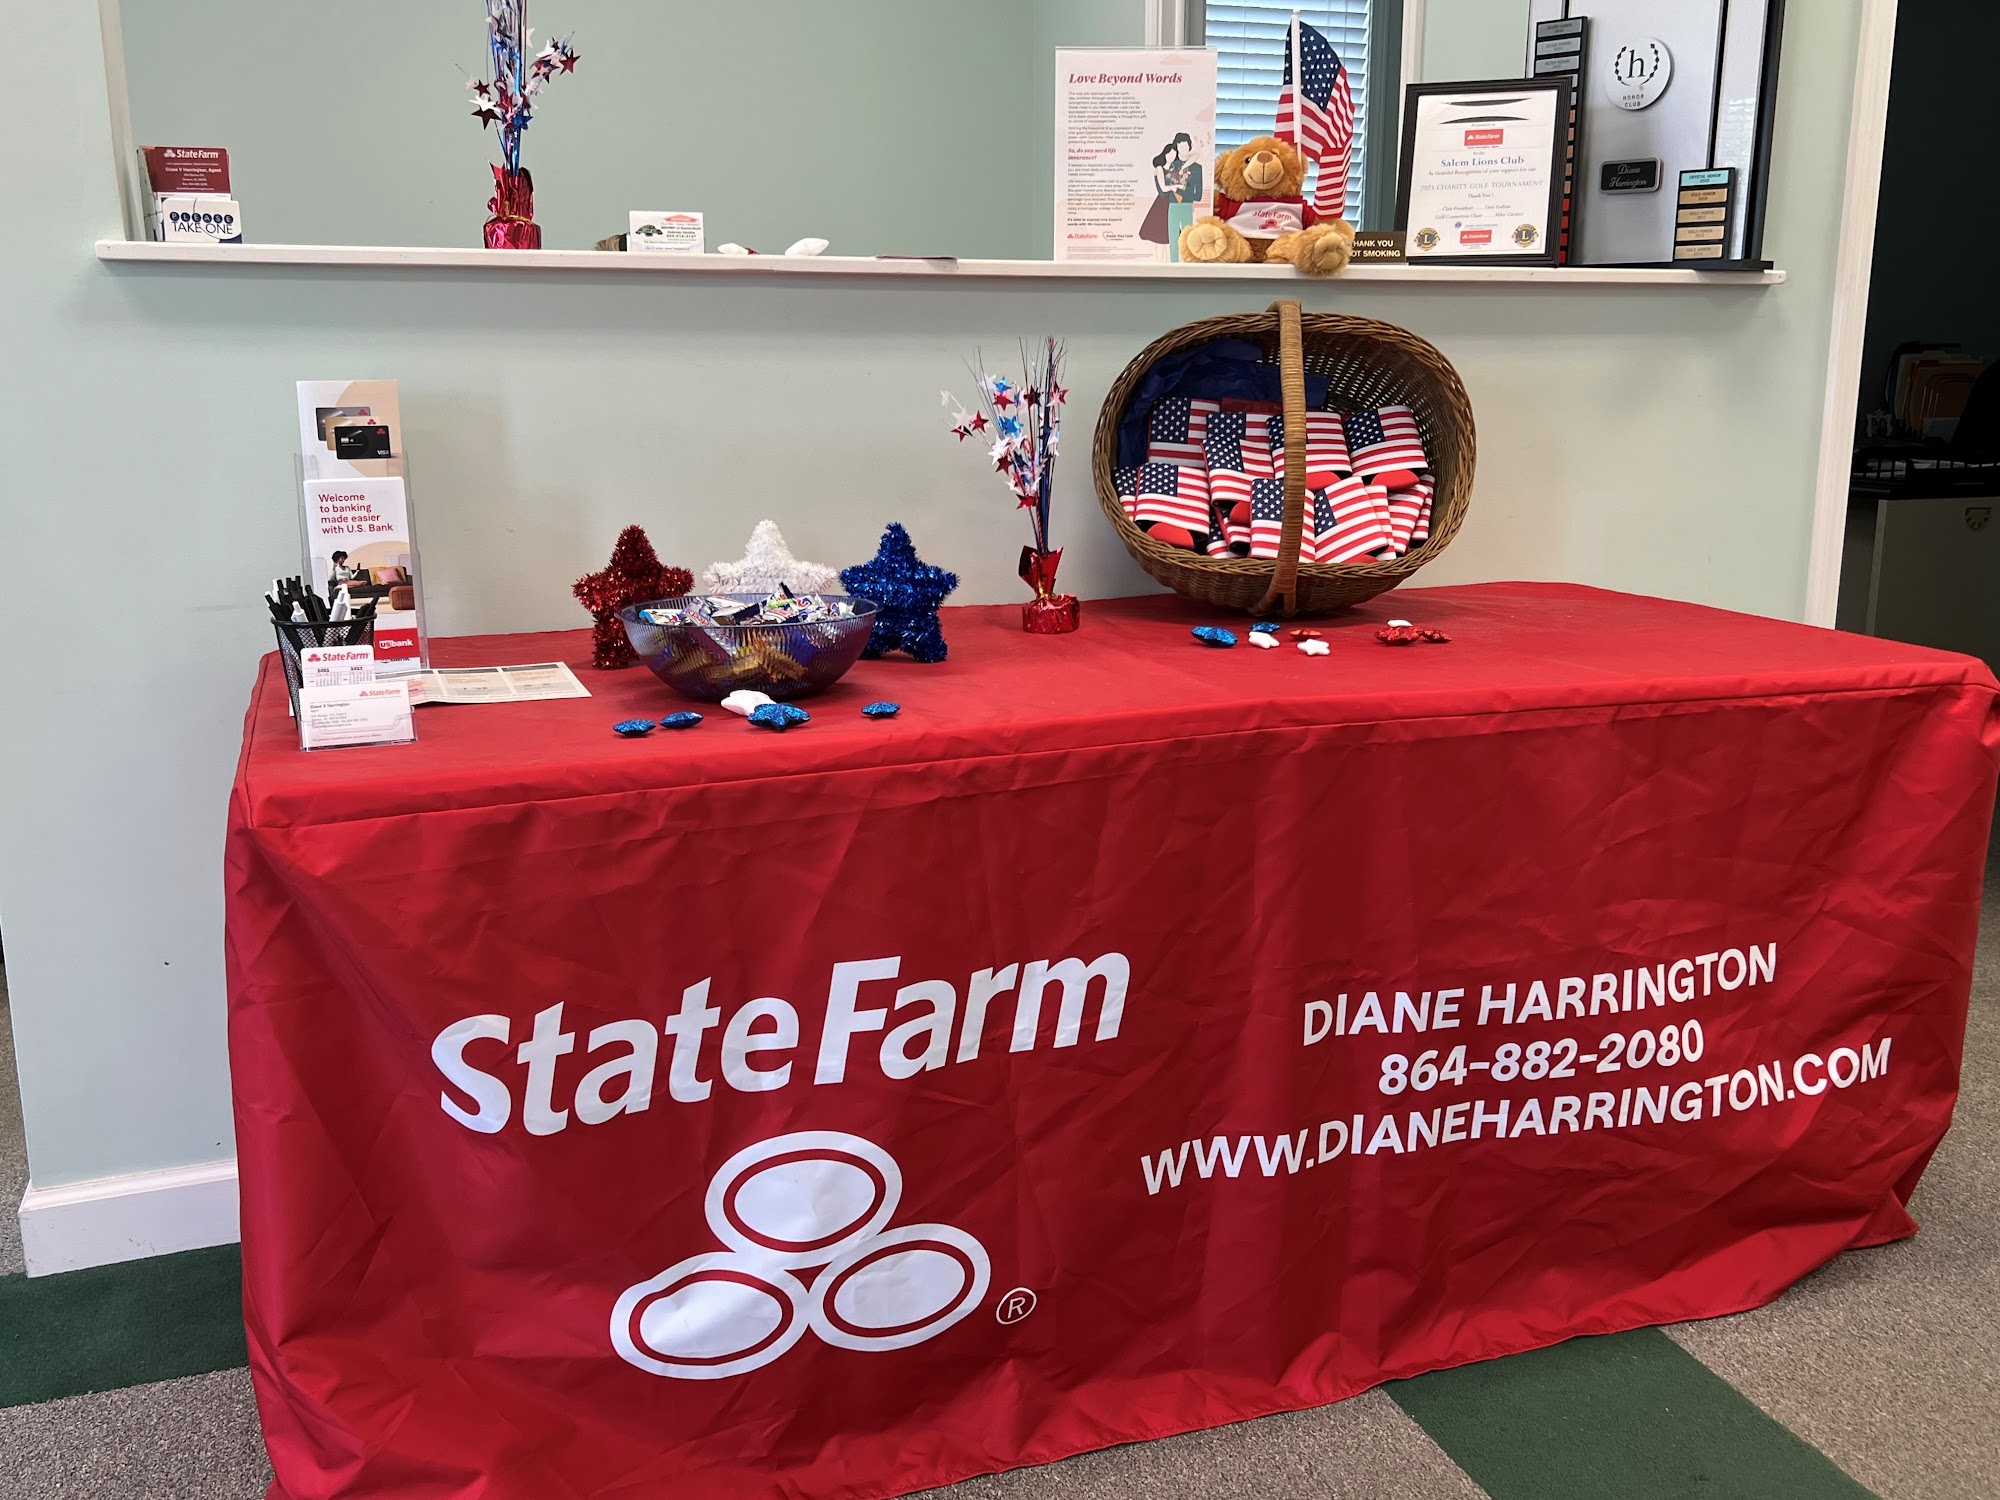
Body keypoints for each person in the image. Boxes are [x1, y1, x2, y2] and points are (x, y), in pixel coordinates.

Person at [1139, 137, 1190, 244]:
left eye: (1174, 154)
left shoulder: (1174, 169)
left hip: (1173, 199)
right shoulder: (1159, 169)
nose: (1171, 157)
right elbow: (1162, 188)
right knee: (1160, 222)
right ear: (1164, 154)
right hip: (1163, 200)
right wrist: (1175, 187)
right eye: (1169, 154)